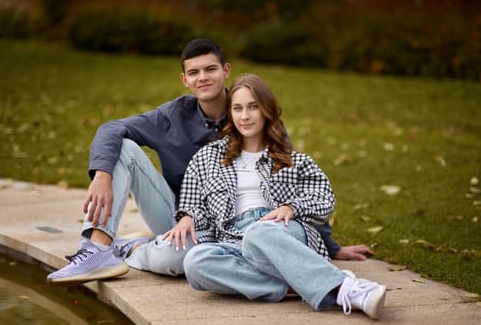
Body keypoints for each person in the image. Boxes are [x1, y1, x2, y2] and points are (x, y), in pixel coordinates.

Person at [47, 38, 372, 286]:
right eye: (194, 72)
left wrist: (328, 244)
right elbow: (112, 128)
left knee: (180, 264)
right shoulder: (170, 116)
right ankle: (97, 248)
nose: (203, 77)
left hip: (239, 227)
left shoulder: (253, 113)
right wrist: (102, 173)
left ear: (225, 71)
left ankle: (134, 249)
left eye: (210, 69)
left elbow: (292, 181)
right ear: (185, 79)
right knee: (124, 149)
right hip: (182, 218)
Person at [166, 74, 386, 319]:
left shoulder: (295, 160)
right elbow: (192, 202)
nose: (245, 116)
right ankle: (316, 284)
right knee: (195, 262)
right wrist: (187, 217)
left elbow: (325, 198)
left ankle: (351, 291)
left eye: (253, 107)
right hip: (232, 240)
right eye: (237, 108)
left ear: (266, 110)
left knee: (258, 232)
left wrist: (291, 207)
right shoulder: (207, 158)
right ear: (230, 113)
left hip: (281, 231)